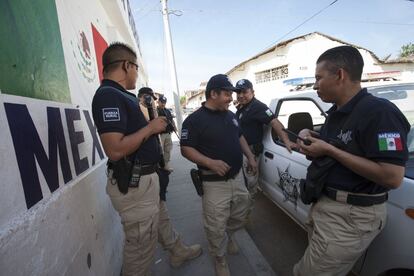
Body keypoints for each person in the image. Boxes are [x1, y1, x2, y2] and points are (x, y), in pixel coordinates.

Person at [293, 45, 410, 276]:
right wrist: (310, 135)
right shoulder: (337, 112)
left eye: (318, 78)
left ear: (340, 75)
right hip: (327, 207)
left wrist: (329, 149)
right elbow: (338, 145)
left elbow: (392, 176)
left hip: (350, 216)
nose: (315, 85)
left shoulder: (380, 113)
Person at [91, 42, 167, 276]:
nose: (137, 73)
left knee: (146, 243)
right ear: (126, 65)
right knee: (140, 249)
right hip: (135, 185)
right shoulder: (108, 96)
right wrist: (151, 128)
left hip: (143, 183)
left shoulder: (121, 96)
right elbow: (114, 150)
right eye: (135, 67)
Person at [180, 74, 258, 276]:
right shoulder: (194, 120)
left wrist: (250, 157)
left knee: (241, 213)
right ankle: (220, 258)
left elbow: (239, 136)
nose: (231, 98)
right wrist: (209, 162)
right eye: (226, 94)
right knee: (215, 225)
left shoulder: (231, 115)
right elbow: (185, 149)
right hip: (214, 183)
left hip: (237, 178)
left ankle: (229, 234)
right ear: (213, 94)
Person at [137, 87, 203, 268]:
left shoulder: (153, 114)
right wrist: (150, 125)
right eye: (147, 99)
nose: (151, 102)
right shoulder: (135, 115)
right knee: (140, 238)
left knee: (162, 217)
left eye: (153, 99)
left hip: (152, 176)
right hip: (137, 181)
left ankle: (177, 251)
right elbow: (119, 148)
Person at [235, 79, 296, 195]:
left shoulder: (258, 107)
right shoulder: (242, 107)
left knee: (249, 186)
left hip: (251, 153)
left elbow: (275, 122)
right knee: (242, 185)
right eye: (238, 92)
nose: (241, 95)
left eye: (244, 92)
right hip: (241, 152)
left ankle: (247, 210)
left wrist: (287, 141)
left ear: (252, 92)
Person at [157, 95, 177, 172]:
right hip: (160, 134)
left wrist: (175, 127)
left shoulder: (167, 110)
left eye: (164, 102)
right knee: (160, 151)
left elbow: (171, 120)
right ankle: (159, 166)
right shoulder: (156, 111)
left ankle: (166, 165)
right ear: (158, 102)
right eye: (161, 102)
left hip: (168, 133)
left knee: (167, 150)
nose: (163, 104)